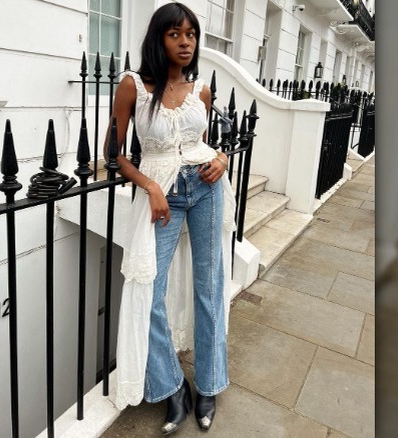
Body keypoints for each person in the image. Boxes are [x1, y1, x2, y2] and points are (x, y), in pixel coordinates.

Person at [107, 2, 237, 435]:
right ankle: (171, 386)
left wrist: (220, 157)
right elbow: (114, 156)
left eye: (192, 35)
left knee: (210, 287)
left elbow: (200, 144)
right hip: (161, 195)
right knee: (148, 291)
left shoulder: (201, 90)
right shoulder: (133, 87)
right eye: (175, 34)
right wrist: (151, 185)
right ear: (158, 38)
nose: (186, 43)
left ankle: (210, 385)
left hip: (207, 189)